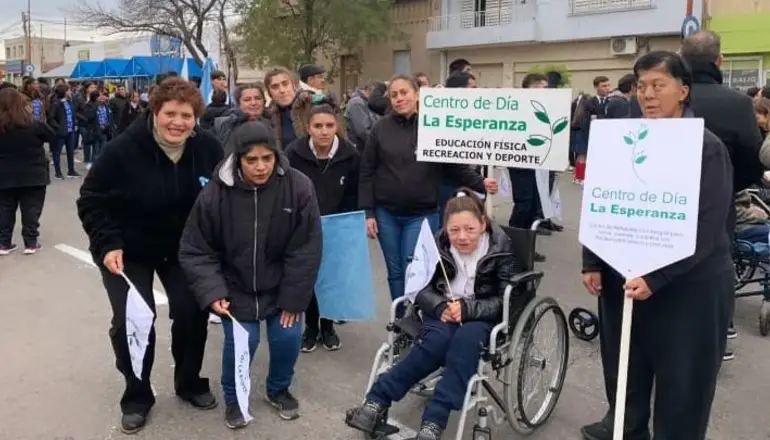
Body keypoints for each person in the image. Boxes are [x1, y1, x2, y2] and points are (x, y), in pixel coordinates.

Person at [581, 50, 734, 440]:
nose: (647, 94)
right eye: (641, 86)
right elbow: (600, 198)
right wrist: (592, 260)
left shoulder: (706, 147)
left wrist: (658, 276)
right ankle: (626, 429)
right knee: (625, 377)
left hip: (688, 288)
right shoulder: (621, 139)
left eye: (658, 85)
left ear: (683, 90)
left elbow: (707, 224)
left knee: (683, 391)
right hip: (624, 280)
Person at [76, 78, 224, 434]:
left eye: (186, 116)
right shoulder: (123, 149)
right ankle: (137, 394)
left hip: (184, 249)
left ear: (196, 118)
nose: (178, 122)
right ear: (155, 112)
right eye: (170, 113)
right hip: (129, 248)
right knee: (133, 320)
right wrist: (108, 243)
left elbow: (223, 198)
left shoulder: (208, 148)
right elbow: (92, 199)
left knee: (192, 312)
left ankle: (189, 381)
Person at [346, 190, 526, 440]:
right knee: (434, 342)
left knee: (465, 344)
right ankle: (377, 399)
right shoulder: (435, 245)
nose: (462, 237)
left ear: (483, 224)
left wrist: (468, 309)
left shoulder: (501, 248)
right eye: (454, 230)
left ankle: (433, 422)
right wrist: (440, 306)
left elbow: (508, 300)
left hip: (480, 317)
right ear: (445, 229)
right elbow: (419, 286)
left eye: (470, 229)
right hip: (442, 310)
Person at [178, 120, 322, 429]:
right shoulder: (214, 194)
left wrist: (294, 298)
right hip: (234, 287)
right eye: (251, 159)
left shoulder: (298, 187)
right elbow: (196, 250)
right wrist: (213, 292)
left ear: (276, 156)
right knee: (243, 343)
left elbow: (306, 248)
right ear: (238, 159)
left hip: (280, 284)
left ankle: (278, 389)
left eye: (267, 158)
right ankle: (234, 399)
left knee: (287, 338)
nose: (260, 167)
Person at [358, 74, 497, 311]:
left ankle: (416, 313)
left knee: (415, 268)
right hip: (386, 213)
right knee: (395, 271)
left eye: (404, 92)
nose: (399, 98)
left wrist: (481, 182)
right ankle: (399, 318)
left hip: (422, 214)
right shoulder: (380, 129)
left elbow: (454, 167)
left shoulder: (433, 126)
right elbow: (367, 172)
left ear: (417, 94)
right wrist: (368, 212)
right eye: (394, 94)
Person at [680, 30, 764, 358]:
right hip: (719, 203)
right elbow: (753, 159)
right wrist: (727, 185)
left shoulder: (665, 99)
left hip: (661, 199)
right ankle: (720, 330)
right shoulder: (738, 102)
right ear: (719, 60)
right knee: (715, 262)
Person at [285, 100, 359, 353]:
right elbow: (288, 189)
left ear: (336, 126)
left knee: (331, 279)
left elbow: (354, 190)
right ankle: (310, 327)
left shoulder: (349, 154)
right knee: (310, 278)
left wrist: (348, 222)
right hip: (305, 224)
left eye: (329, 125)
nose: (324, 131)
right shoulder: (293, 153)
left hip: (337, 225)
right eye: (318, 126)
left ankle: (327, 327)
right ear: (308, 128)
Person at [0, 87, 55, 255]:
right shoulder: (33, 124)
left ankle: (4, 243)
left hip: (4, 174)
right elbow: (52, 136)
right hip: (33, 172)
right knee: (31, 208)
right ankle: (31, 242)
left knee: (4, 208)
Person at [214, 83, 269, 153]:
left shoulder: (273, 124)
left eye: (258, 98)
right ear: (238, 104)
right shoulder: (226, 126)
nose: (253, 103)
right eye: (247, 100)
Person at [46, 83, 79, 179]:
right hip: (60, 132)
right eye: (68, 90)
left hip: (70, 131)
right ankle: (58, 172)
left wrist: (75, 123)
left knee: (70, 152)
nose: (70, 92)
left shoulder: (70, 102)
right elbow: (50, 118)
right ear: (64, 92)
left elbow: (73, 114)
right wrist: (58, 127)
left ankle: (71, 170)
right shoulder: (56, 103)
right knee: (57, 152)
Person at [265, 67, 300, 148]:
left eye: (285, 84)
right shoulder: (268, 117)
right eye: (275, 87)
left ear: (294, 85)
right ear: (269, 93)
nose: (282, 90)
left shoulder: (312, 107)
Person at [344, 80, 382, 152]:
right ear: (369, 90)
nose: (379, 97)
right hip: (360, 149)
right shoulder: (356, 103)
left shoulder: (369, 103)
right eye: (378, 94)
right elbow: (364, 131)